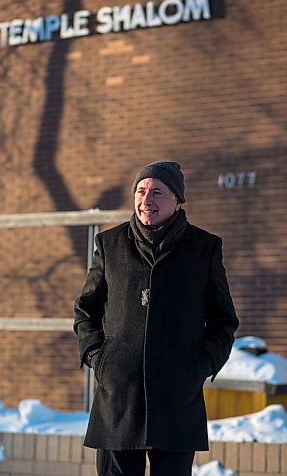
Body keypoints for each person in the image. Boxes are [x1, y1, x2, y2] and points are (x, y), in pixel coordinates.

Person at [74, 161, 239, 476]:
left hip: (177, 400)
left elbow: (224, 321)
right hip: (118, 398)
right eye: (140, 191)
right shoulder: (109, 245)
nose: (146, 199)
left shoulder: (204, 248)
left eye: (157, 192)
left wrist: (201, 364)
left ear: (177, 201)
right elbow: (86, 310)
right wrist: (98, 357)